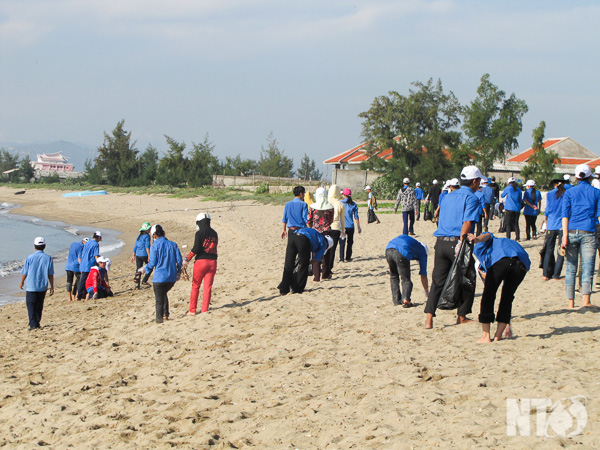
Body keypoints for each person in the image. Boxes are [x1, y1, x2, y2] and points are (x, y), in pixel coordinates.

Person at [424, 166, 484, 329]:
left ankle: (429, 319)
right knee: (468, 278)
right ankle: (462, 316)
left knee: (438, 281)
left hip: (441, 242)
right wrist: (460, 243)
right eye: (478, 181)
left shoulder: (448, 197)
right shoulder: (471, 198)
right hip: (458, 242)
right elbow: (467, 222)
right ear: (474, 181)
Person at [468, 232, 530, 342]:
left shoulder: (485, 246)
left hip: (503, 260)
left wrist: (476, 239)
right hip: (521, 263)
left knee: (488, 295)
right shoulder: (503, 242)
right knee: (507, 297)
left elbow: (486, 235)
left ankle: (486, 336)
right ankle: (498, 335)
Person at [561, 164, 600, 309]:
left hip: (571, 232)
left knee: (571, 268)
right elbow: (599, 215)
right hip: (589, 232)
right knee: (588, 268)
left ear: (576, 177)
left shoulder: (569, 193)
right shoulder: (596, 193)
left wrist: (564, 236)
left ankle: (570, 302)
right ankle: (585, 301)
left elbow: (565, 216)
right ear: (590, 176)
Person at [139, 224, 183, 323]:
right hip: (171, 277)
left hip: (159, 278)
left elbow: (152, 263)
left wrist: (144, 269)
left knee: (159, 299)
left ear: (154, 235)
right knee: (163, 294)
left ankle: (159, 320)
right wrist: (178, 272)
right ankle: (166, 315)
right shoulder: (173, 244)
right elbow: (179, 260)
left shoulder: (154, 246)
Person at [182, 213, 218, 315]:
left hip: (201, 262)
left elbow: (196, 249)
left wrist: (187, 259)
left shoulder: (199, 233)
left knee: (196, 286)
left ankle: (192, 310)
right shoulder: (214, 233)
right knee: (208, 287)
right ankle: (204, 309)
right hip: (213, 262)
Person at [278, 186, 309, 295]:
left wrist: (283, 230)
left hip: (290, 233)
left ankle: (284, 288)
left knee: (289, 261)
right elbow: (306, 219)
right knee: (304, 260)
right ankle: (298, 287)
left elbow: (284, 218)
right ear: (301, 194)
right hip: (301, 233)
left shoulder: (288, 204)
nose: (304, 195)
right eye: (303, 193)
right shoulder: (303, 205)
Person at [20, 237, 54, 330]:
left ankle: (32, 323)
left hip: (31, 286)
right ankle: (37, 322)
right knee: (39, 304)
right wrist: (52, 286)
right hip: (42, 286)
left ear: (35, 247)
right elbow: (50, 274)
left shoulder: (30, 257)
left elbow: (25, 272)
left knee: (31, 304)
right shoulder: (48, 258)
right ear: (44, 246)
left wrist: (22, 281)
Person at [385, 235, 429, 307]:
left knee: (393, 276)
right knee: (406, 279)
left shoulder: (414, 244)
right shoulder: (422, 251)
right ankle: (406, 299)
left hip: (388, 249)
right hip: (401, 251)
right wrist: (427, 293)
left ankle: (396, 300)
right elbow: (423, 274)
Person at [308, 187, 334, 281]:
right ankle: (325, 274)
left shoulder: (312, 207)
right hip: (326, 232)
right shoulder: (330, 207)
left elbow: (309, 220)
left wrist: (313, 227)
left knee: (315, 254)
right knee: (326, 254)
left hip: (315, 233)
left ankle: (316, 276)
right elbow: (331, 220)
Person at [542, 179, 566, 280]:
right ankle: (556, 275)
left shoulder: (550, 194)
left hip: (551, 225)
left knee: (549, 249)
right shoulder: (566, 193)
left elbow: (547, 209)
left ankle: (546, 274)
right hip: (562, 226)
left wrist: (546, 221)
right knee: (561, 250)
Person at [327, 184, 345, 278]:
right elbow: (342, 219)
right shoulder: (340, 204)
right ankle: (329, 268)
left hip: (325, 227)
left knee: (324, 248)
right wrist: (343, 230)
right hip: (336, 228)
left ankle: (322, 267)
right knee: (332, 250)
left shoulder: (326, 202)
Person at [77, 231, 102, 300]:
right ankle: (81, 295)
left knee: (83, 280)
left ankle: (81, 295)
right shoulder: (96, 244)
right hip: (89, 265)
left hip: (83, 263)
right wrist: (99, 263)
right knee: (87, 280)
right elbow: (95, 255)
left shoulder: (87, 243)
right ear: (99, 237)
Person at [340, 188, 361, 262]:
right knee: (350, 242)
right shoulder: (353, 204)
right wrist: (358, 226)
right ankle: (348, 257)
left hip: (342, 226)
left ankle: (341, 258)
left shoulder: (340, 203)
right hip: (350, 226)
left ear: (344, 195)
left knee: (342, 242)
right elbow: (356, 216)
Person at [65, 237, 88, 302]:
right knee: (79, 280)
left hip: (68, 266)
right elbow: (79, 258)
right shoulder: (81, 247)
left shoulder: (73, 244)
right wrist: (82, 267)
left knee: (69, 281)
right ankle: (76, 296)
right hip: (76, 266)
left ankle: (70, 298)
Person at [131, 222, 152, 289]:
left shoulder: (139, 236)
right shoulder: (147, 236)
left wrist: (133, 255)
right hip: (144, 254)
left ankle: (137, 286)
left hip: (138, 254)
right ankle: (144, 280)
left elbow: (135, 246)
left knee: (138, 269)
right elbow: (147, 246)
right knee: (150, 267)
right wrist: (149, 255)